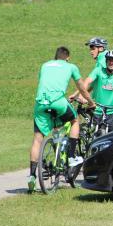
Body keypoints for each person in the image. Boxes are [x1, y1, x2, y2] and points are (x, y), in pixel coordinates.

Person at [29, 47, 93, 193]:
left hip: (40, 103)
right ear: (67, 58)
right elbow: (82, 88)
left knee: (37, 139)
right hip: (58, 101)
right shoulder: (71, 66)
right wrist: (90, 102)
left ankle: (32, 176)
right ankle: (70, 157)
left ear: (55, 57)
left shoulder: (45, 65)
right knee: (74, 121)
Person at [74, 49, 113, 134]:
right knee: (94, 136)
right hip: (98, 110)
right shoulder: (98, 71)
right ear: (106, 61)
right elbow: (87, 82)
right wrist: (81, 96)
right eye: (109, 60)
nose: (111, 63)